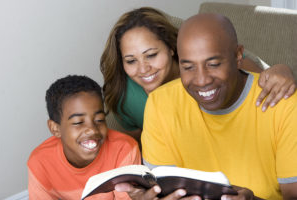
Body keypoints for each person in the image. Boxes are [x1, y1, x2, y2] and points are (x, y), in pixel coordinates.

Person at [115, 13, 297, 199]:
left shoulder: (281, 102)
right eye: (189, 67)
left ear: (238, 55)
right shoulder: (158, 104)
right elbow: (164, 189)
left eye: (213, 64)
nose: (202, 80)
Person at [100, 7, 296, 144]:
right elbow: (135, 141)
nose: (143, 69)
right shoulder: (124, 96)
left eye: (151, 55)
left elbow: (262, 85)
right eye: (131, 61)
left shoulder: (221, 64)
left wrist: (282, 70)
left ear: (171, 47)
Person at [27, 75, 141, 200]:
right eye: (78, 122)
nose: (92, 129)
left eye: (99, 120)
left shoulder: (124, 149)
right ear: (55, 128)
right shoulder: (40, 162)